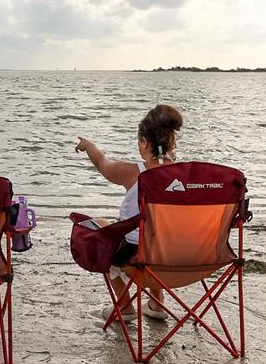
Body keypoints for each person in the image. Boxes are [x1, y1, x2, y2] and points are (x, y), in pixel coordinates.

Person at [74, 104, 184, 322]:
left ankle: (124, 306)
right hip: (183, 258)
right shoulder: (188, 177)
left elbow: (102, 163)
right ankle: (156, 302)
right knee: (156, 235)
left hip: (139, 261)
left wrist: (89, 146)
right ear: (173, 142)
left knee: (102, 231)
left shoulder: (134, 173)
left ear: (143, 142)